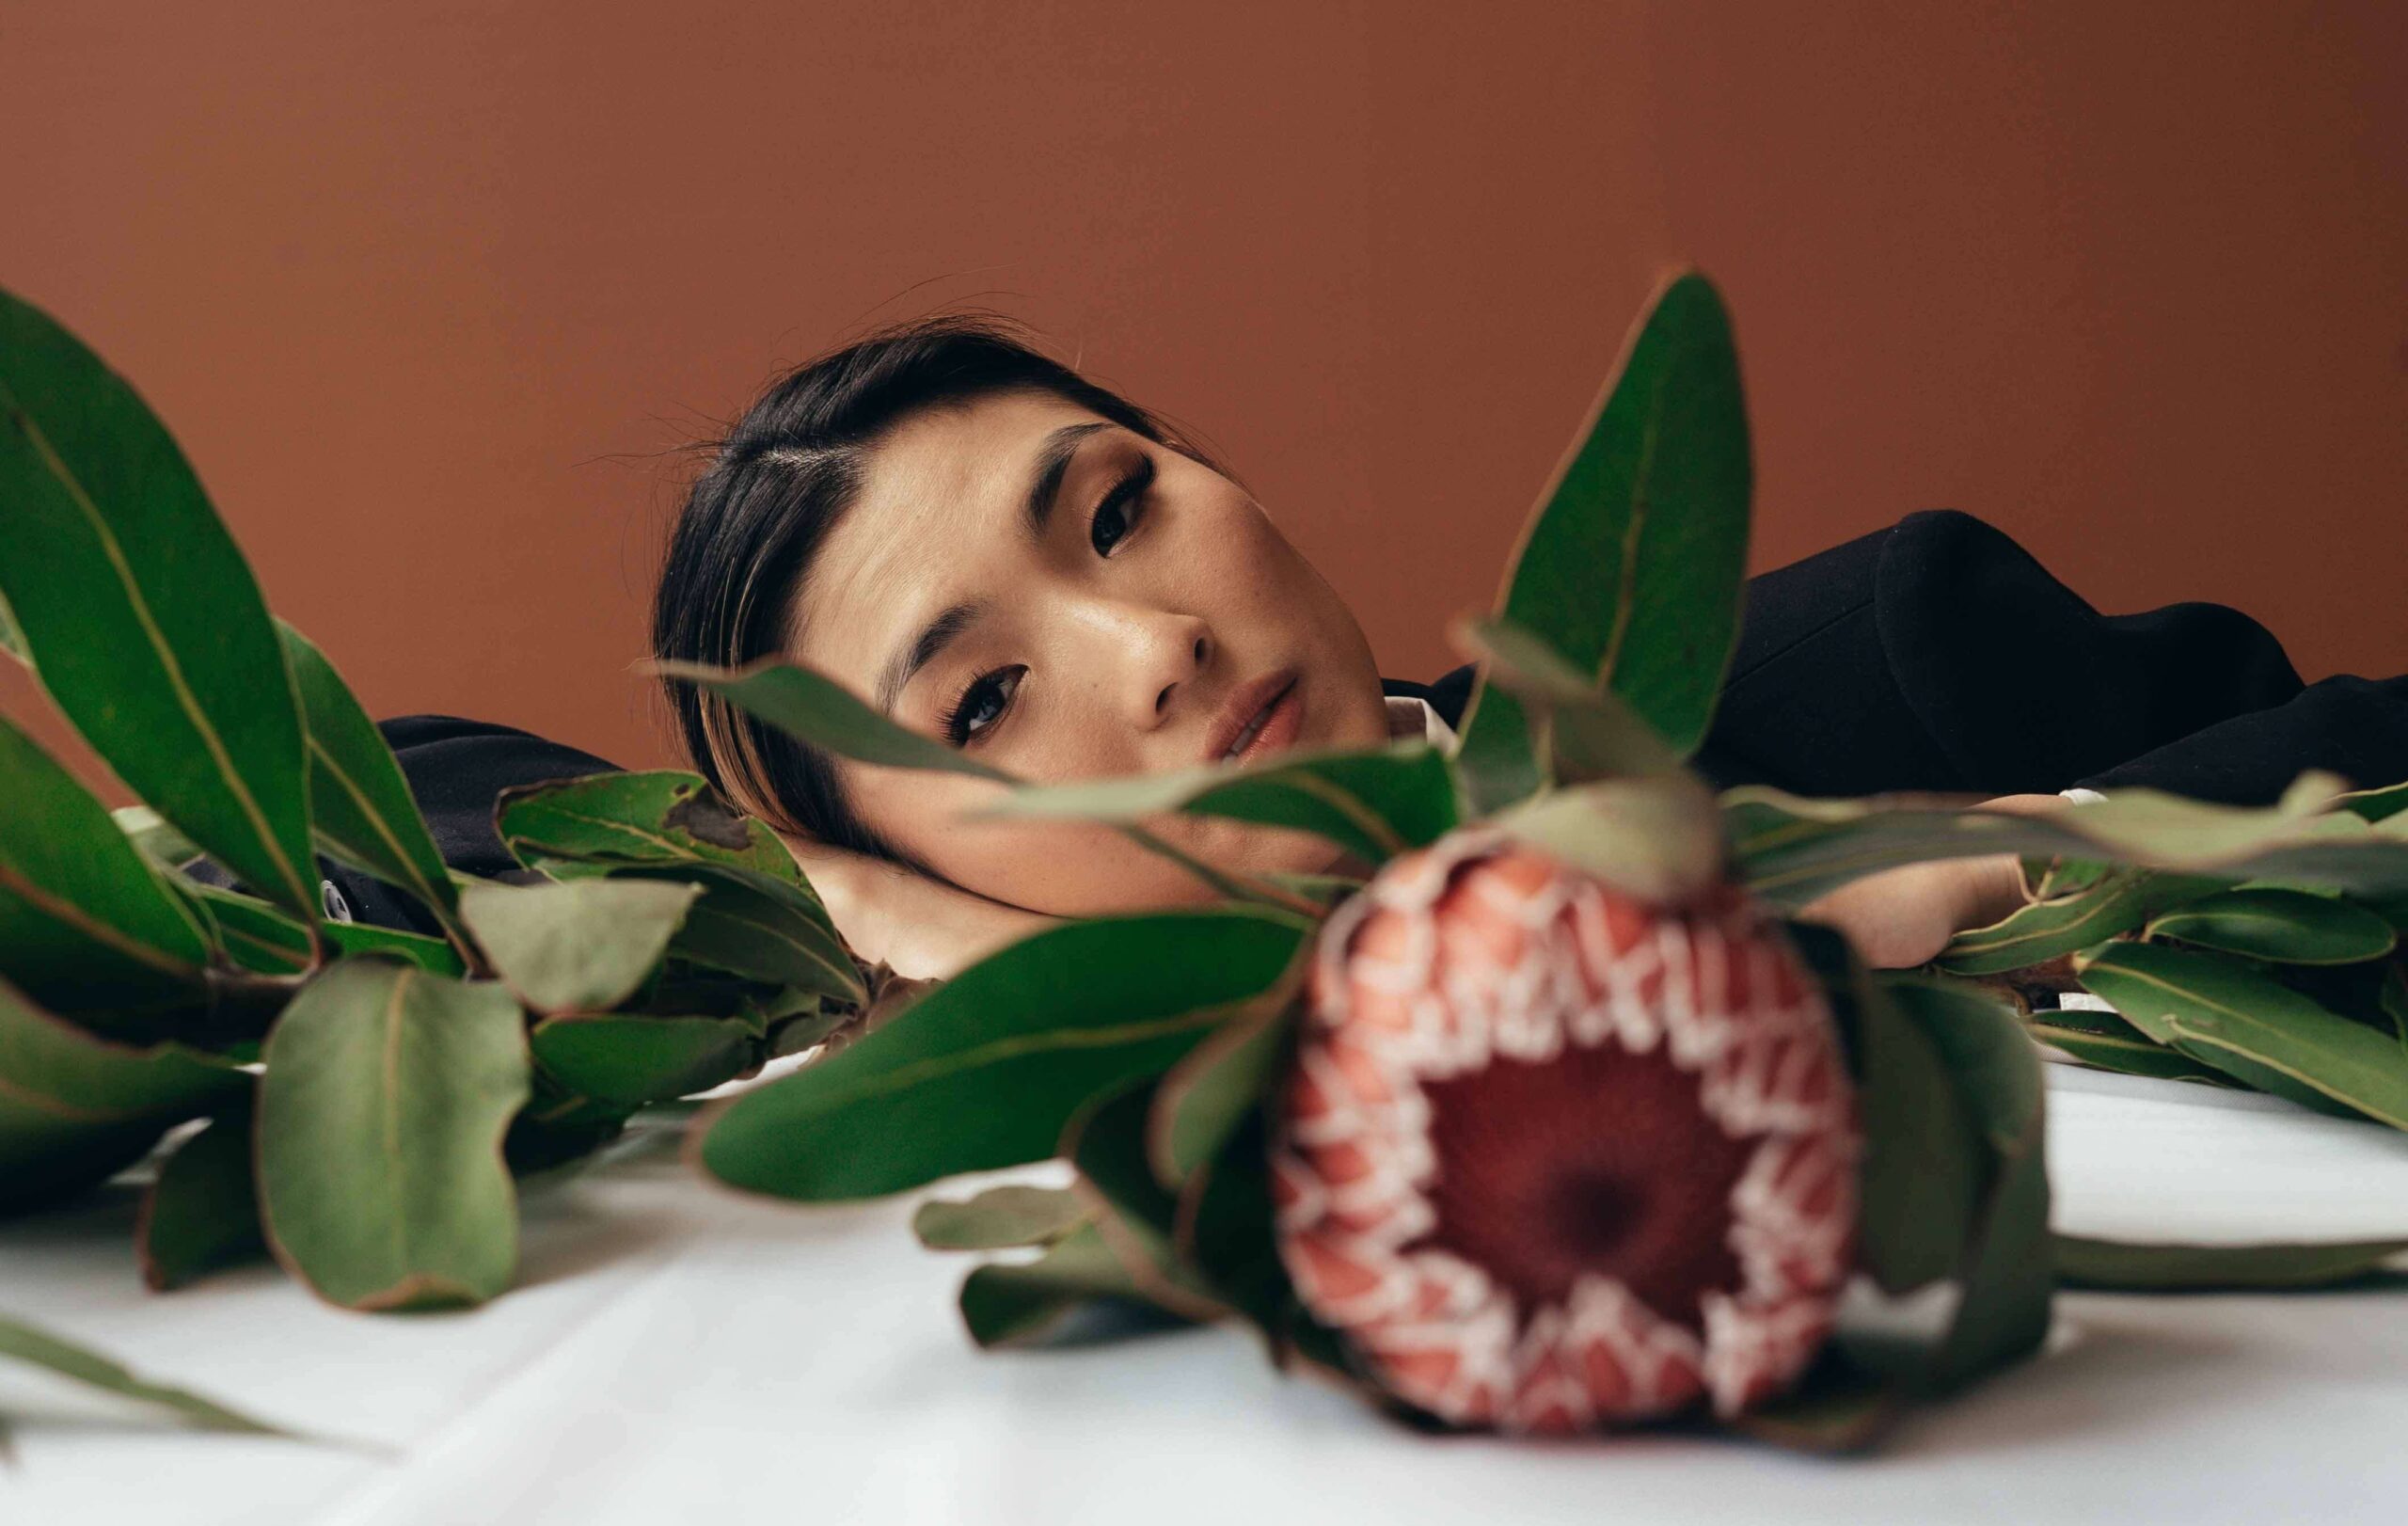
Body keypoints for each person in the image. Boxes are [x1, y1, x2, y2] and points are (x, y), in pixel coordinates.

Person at [356, 314, 2408, 980]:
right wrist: (805, 893)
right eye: (980, 699)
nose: (1147, 646)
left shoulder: (1871, 660)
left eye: (1118, 507)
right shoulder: (960, 1077)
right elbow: (361, 784)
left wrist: (1971, 864)